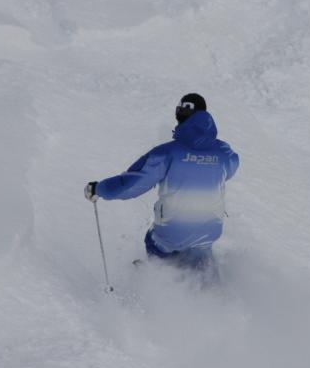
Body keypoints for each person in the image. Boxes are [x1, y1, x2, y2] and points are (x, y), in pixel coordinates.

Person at [85, 93, 239, 270]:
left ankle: (159, 273)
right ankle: (205, 276)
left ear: (179, 115)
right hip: (210, 231)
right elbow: (230, 170)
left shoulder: (166, 153)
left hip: (173, 234)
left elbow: (130, 184)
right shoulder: (224, 153)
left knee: (155, 241)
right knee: (201, 248)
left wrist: (99, 189)